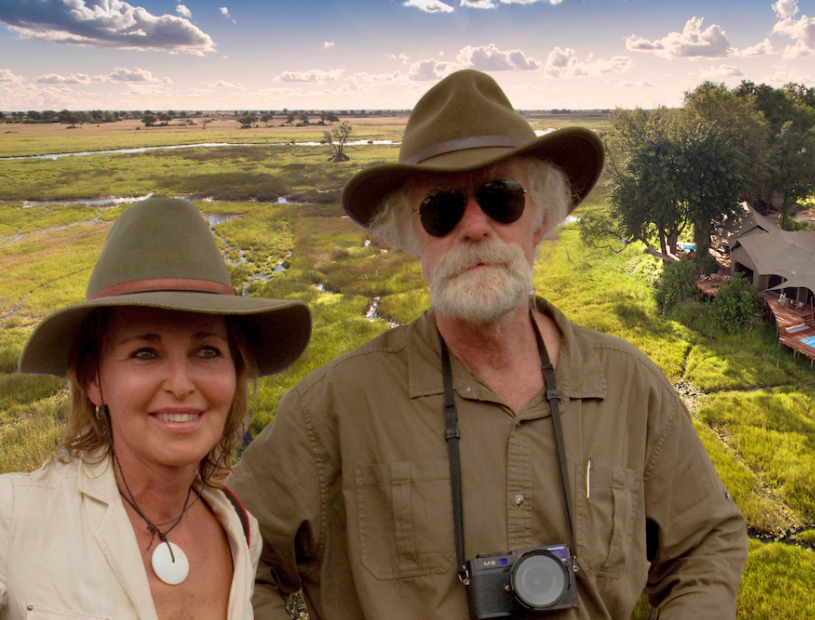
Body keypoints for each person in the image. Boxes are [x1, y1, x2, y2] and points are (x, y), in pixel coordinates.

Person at [230, 69, 747, 619]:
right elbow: (235, 558)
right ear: (414, 237)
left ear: (541, 218)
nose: (474, 226)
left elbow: (706, 542)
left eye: (502, 198)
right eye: (441, 209)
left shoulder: (629, 387)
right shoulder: (330, 410)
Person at [0, 197, 312, 619]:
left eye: (207, 351)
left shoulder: (240, 530)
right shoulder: (13, 517)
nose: (181, 385)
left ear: (236, 373)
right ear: (94, 379)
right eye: (145, 354)